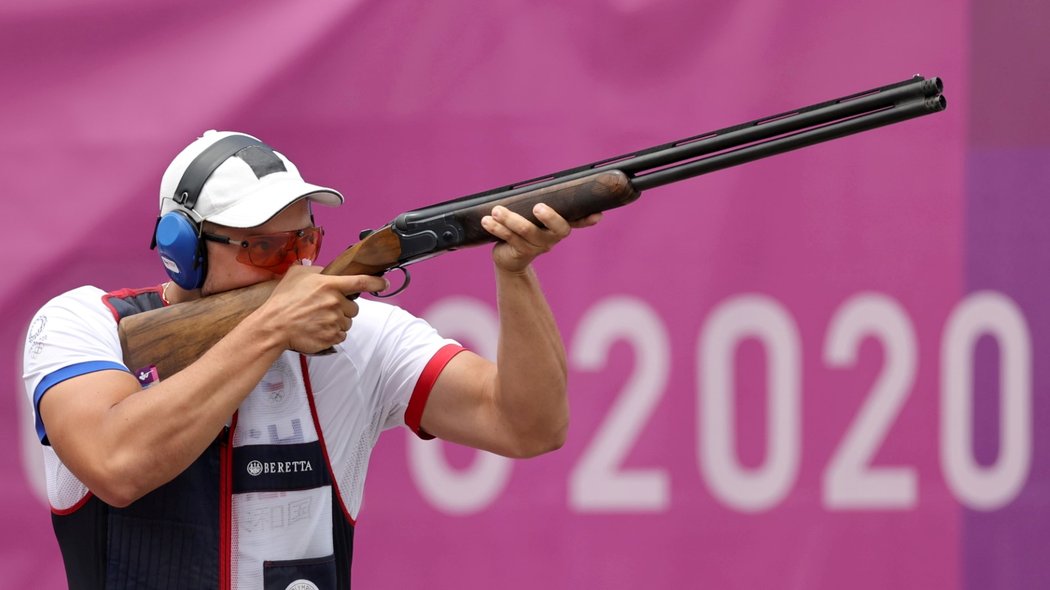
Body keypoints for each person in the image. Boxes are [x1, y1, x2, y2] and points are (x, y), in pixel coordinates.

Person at [22, 130, 601, 590]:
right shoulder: (84, 324)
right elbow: (116, 463)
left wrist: (515, 272)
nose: (294, 268)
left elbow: (530, 425)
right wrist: (272, 328)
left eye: (305, 244)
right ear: (184, 252)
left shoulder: (360, 337)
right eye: (265, 249)